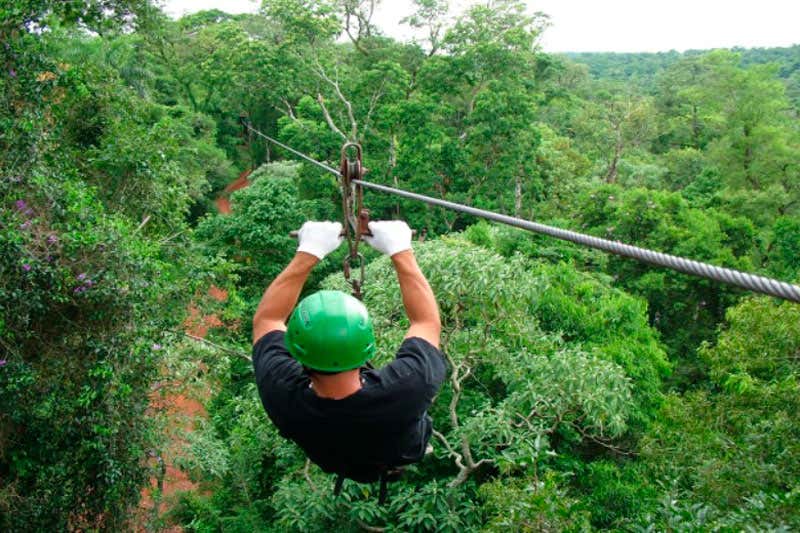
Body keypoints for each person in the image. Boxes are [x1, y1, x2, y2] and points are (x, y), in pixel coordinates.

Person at [251, 220, 447, 489]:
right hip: (399, 447)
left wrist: (309, 252)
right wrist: (400, 250)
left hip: (335, 456)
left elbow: (268, 319)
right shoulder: (408, 387)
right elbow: (425, 322)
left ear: (296, 349)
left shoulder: (282, 393)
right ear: (368, 344)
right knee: (408, 433)